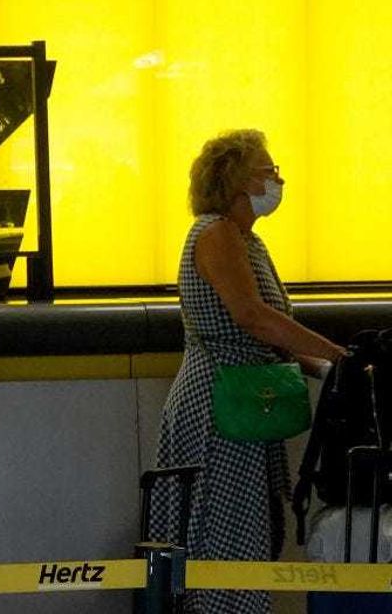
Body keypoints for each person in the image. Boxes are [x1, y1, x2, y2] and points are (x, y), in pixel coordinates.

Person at [150, 129, 347, 614]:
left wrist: (326, 368)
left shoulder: (247, 241)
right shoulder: (216, 234)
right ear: (236, 179)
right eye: (268, 171)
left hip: (242, 405)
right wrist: (337, 356)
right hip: (219, 409)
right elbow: (253, 317)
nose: (278, 181)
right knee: (227, 529)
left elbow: (268, 332)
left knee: (248, 526)